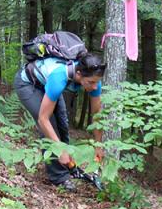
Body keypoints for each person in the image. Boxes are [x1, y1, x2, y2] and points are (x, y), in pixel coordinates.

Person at [14, 51, 107, 191]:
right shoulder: (59, 77)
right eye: (91, 82)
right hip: (28, 84)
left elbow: (96, 115)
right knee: (50, 125)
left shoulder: (93, 81)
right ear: (79, 74)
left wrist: (99, 146)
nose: (95, 86)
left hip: (47, 84)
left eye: (97, 82)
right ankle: (59, 177)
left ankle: (68, 166)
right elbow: (42, 119)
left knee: (63, 124)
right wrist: (60, 150)